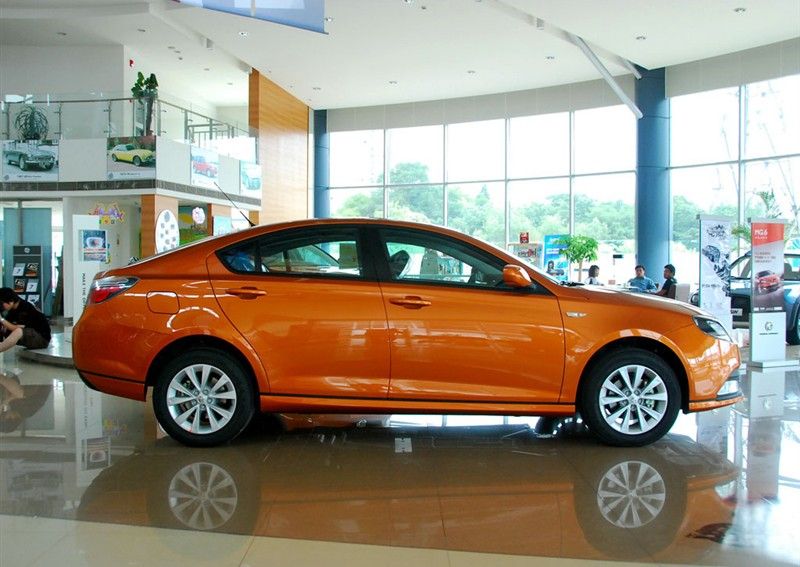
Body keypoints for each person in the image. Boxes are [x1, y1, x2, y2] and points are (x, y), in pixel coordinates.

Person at [0, 288, 51, 354]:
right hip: (30, 335)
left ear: (11, 301)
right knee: (4, 327)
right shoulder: (13, 309)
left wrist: (2, 319)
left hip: (42, 339)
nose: (1, 306)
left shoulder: (26, 308)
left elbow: (18, 329)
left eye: (2, 303)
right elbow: (7, 326)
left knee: (18, 331)